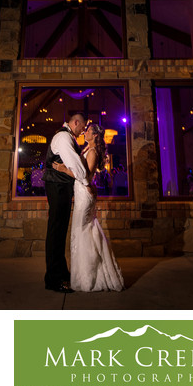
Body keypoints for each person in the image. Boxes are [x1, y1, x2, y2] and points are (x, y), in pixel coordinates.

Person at [52, 123, 124, 292]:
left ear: (95, 135)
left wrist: (63, 169)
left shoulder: (92, 152)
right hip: (80, 193)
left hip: (85, 195)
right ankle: (82, 274)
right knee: (81, 231)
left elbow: (84, 174)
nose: (85, 132)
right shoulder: (86, 149)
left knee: (83, 231)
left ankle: (90, 277)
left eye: (88, 131)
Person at [42, 112, 87, 293]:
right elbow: (75, 166)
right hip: (57, 186)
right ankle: (54, 279)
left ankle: (60, 273)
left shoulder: (67, 136)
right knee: (56, 231)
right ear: (76, 122)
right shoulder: (62, 137)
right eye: (83, 127)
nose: (83, 131)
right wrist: (84, 180)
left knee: (59, 231)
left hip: (61, 187)